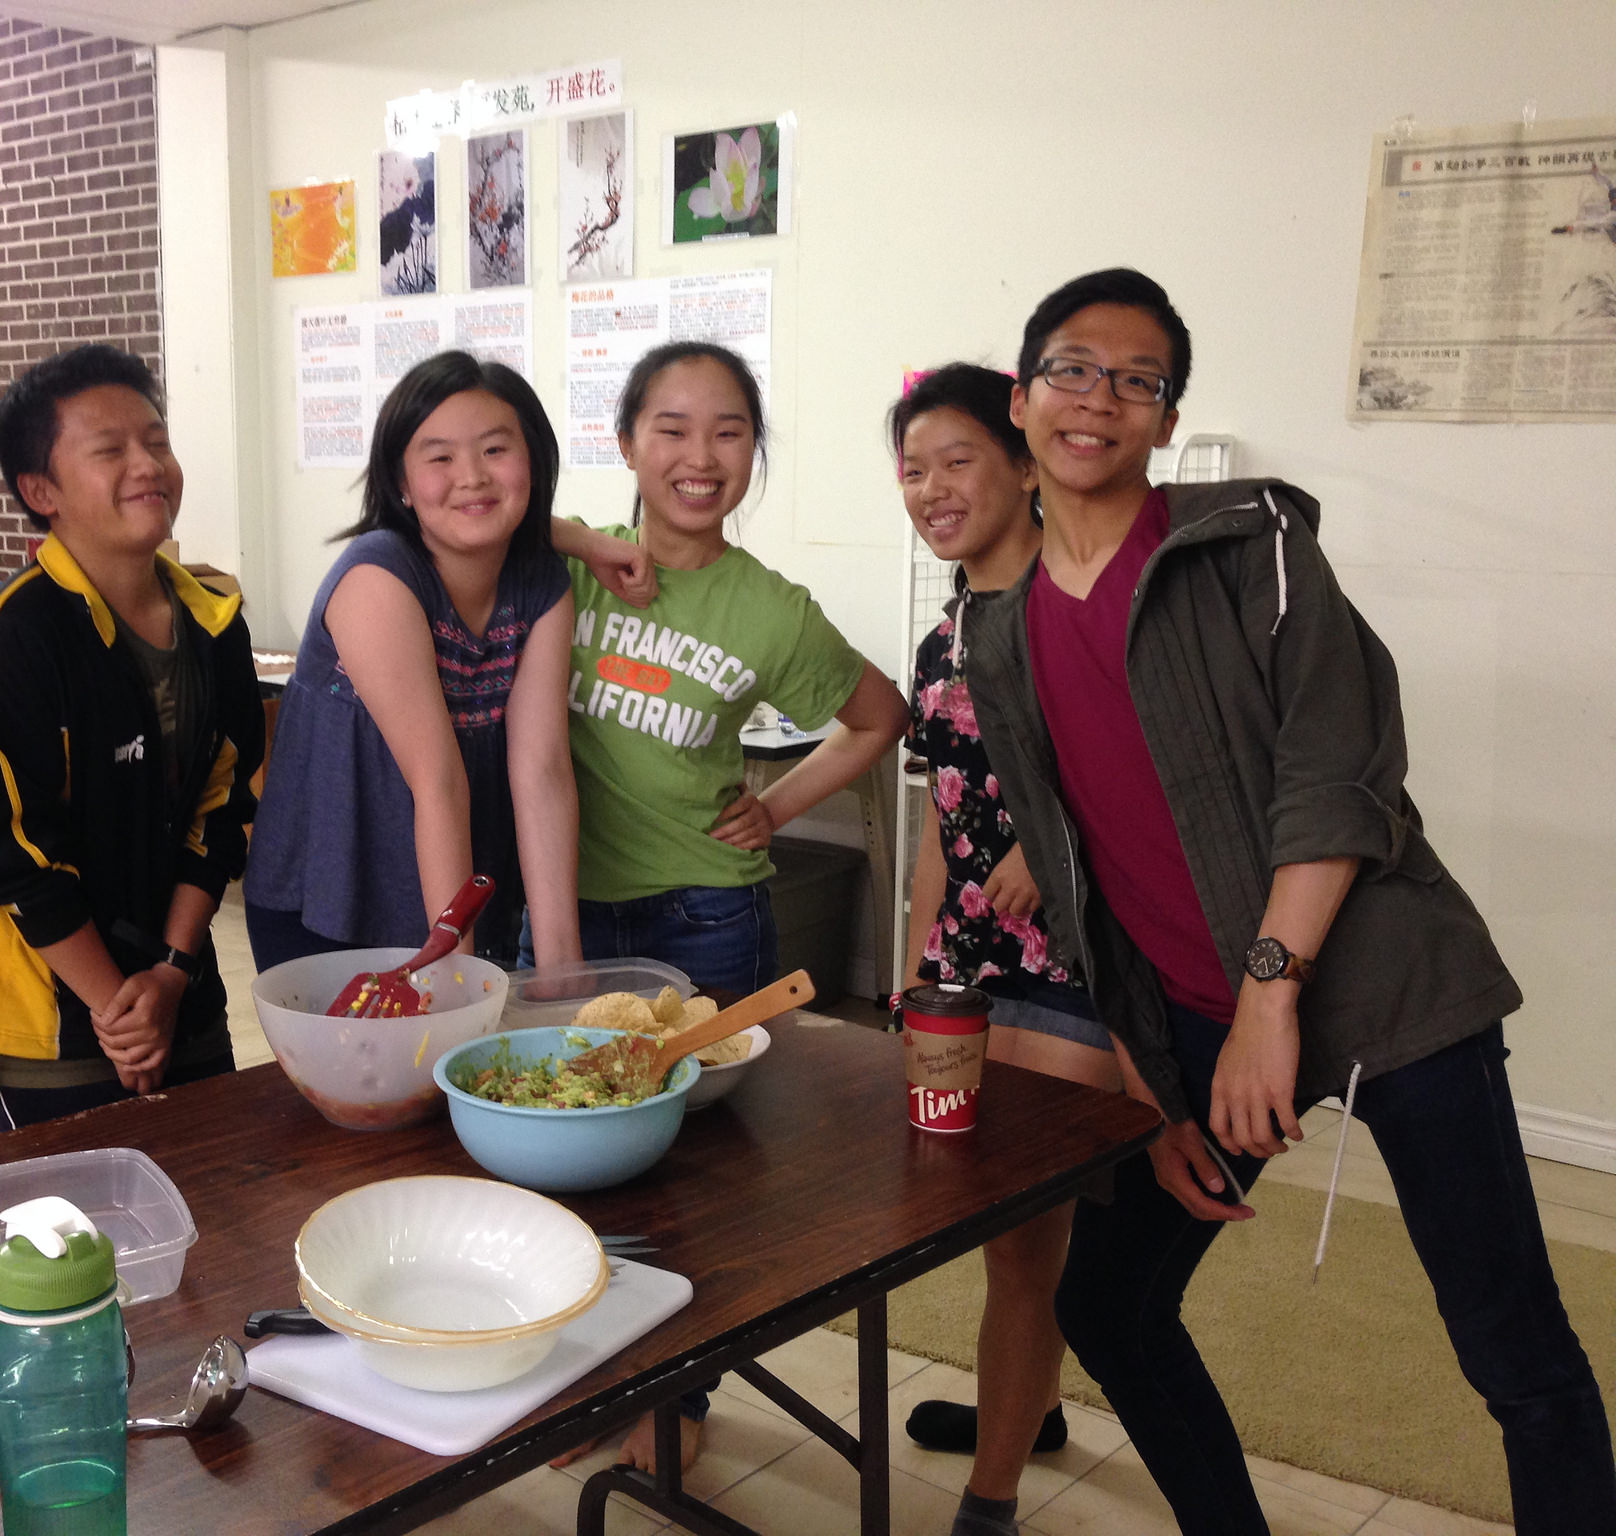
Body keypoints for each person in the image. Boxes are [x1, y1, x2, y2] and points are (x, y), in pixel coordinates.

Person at [963, 267, 1616, 1535]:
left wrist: (1268, 1000)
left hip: (1382, 991)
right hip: (1189, 1017)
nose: (1098, 397)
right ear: (1021, 398)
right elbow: (1079, 886)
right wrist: (1157, 1091)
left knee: (1511, 1347)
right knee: (1107, 1303)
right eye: (1071, 369)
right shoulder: (999, 637)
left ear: (1164, 420)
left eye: (1136, 380)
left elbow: (1337, 770)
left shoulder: (1246, 549)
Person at [543, 341, 909, 1473]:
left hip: (705, 916)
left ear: (754, 449)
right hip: (564, 911)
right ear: (625, 442)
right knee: (566, 1148)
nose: (699, 457)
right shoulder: (565, 569)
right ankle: (584, 1381)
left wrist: (778, 803)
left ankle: (679, 1404)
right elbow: (463, 511)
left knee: (697, 1182)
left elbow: (879, 715)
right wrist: (588, 542)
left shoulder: (770, 609)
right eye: (671, 428)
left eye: (729, 431)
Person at [889, 365, 1119, 1536]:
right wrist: (916, 966)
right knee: (992, 1224)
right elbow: (941, 820)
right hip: (968, 967)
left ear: (1025, 463)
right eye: (911, 469)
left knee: (1030, 1241)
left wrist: (1051, 842)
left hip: (1072, 966)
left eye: (957, 461)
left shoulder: (1085, 612)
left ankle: (989, 1499)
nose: (931, 488)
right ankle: (1026, 1413)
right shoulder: (943, 639)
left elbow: (1152, 784)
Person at [0, 343, 263, 1132]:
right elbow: (10, 852)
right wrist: (118, 1011)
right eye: (109, 450)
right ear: (40, 490)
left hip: (181, 991)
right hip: (53, 1022)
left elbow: (221, 809)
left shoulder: (213, 617)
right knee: (77, 1214)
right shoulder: (15, 635)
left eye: (156, 441)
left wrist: (172, 973)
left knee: (214, 1194)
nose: (147, 465)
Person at [243, 350, 580, 971]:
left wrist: (564, 971)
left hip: (462, 893)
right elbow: (438, 780)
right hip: (331, 900)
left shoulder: (542, 584)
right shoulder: (377, 574)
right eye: (439, 457)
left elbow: (543, 773)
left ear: (533, 460)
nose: (471, 476)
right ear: (401, 482)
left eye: (495, 449)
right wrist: (455, 978)